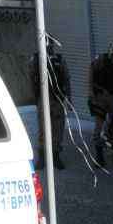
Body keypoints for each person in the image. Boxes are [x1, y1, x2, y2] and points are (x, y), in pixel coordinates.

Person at [30, 38, 71, 170]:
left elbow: (66, 79)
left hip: (57, 99)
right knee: (43, 128)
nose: (49, 47)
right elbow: (31, 79)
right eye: (47, 45)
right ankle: (42, 158)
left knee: (58, 128)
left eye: (51, 45)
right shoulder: (36, 59)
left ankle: (56, 155)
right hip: (43, 98)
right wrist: (35, 98)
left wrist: (69, 99)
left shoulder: (59, 59)